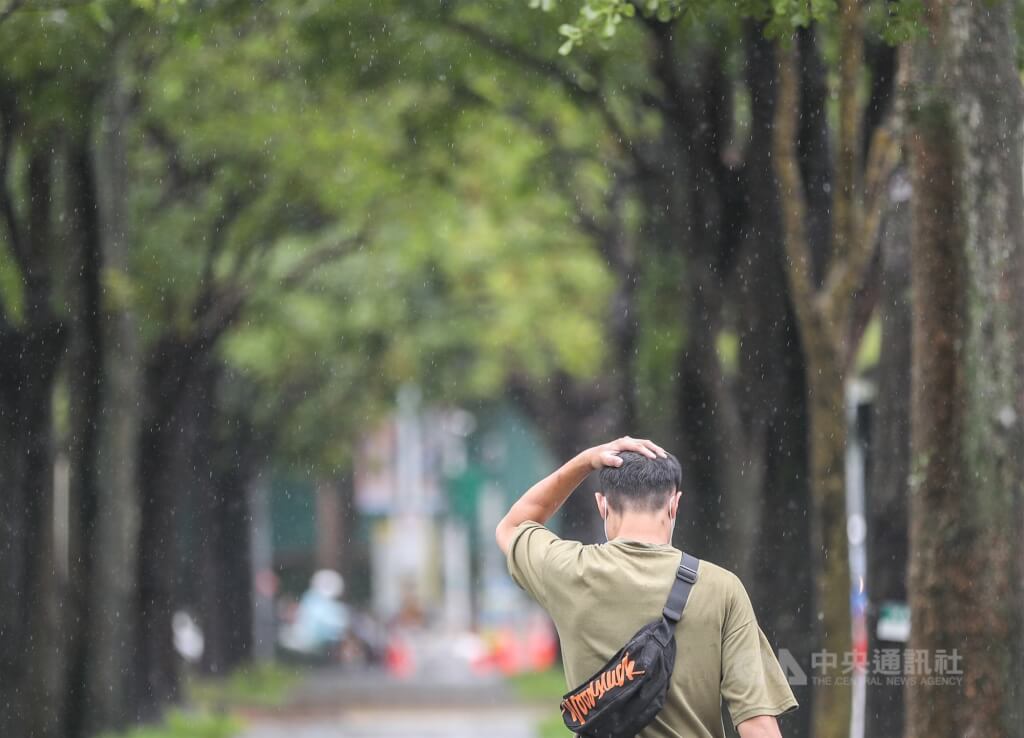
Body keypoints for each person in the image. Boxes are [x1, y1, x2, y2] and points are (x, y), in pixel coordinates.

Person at [496, 436, 798, 738]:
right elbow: (758, 726)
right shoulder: (722, 589)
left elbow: (512, 526)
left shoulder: (568, 570)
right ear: (674, 504)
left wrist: (586, 461)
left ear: (602, 505)